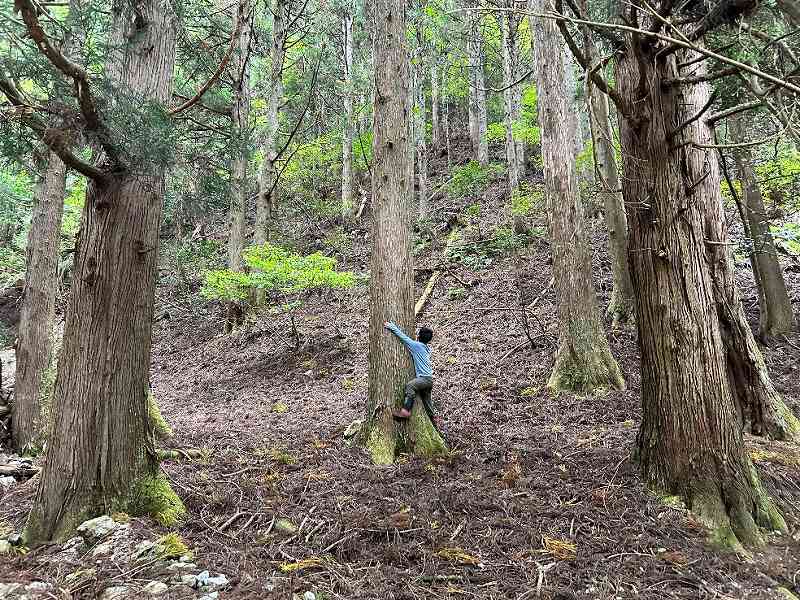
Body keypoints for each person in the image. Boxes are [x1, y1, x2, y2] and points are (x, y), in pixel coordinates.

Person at [383, 321, 436, 424]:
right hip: (429, 380)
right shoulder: (426, 348)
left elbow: (404, 338)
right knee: (427, 401)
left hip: (423, 379)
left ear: (419, 336)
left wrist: (391, 326)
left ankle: (406, 411)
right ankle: (433, 420)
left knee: (410, 386)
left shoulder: (417, 346)